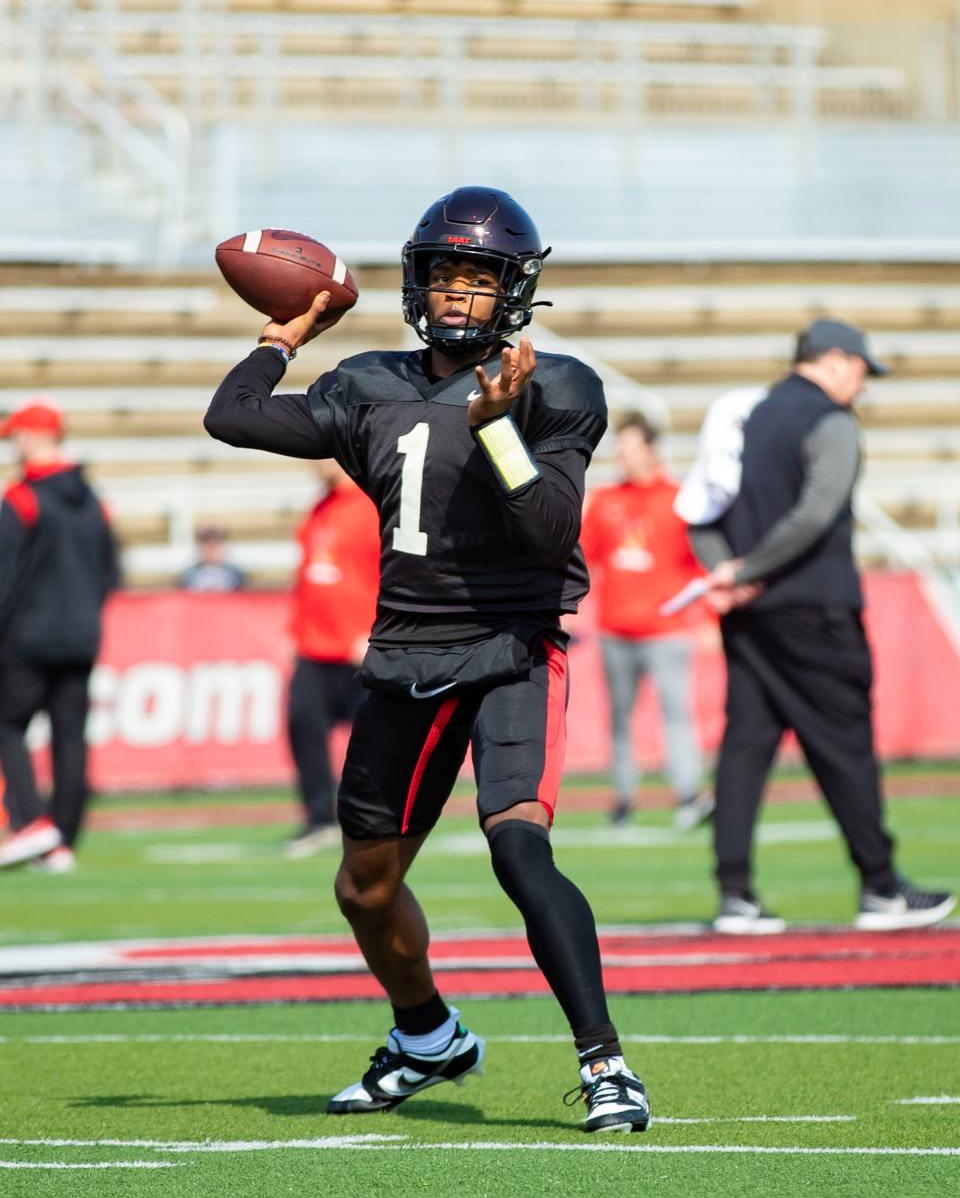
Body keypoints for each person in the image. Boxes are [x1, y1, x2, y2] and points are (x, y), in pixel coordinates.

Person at [205, 185, 651, 1133]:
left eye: (478, 278)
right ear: (415, 281)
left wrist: (497, 424)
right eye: (444, 272)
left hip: (510, 647)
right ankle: (427, 1035)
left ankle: (605, 1061)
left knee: (519, 849)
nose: (458, 292)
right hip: (405, 649)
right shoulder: (367, 382)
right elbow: (233, 418)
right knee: (363, 887)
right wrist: (285, 334)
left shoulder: (557, 385)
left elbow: (548, 533)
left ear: (513, 292)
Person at [679, 318, 956, 934]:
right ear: (833, 361)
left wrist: (727, 571)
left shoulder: (745, 416)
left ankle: (735, 895)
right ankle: (882, 888)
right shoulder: (829, 422)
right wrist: (748, 567)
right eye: (859, 371)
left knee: (746, 745)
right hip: (813, 608)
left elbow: (699, 504)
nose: (861, 386)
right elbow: (815, 514)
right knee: (845, 745)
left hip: (751, 612)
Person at [0, 398, 119, 872]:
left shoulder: (21, 498)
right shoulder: (95, 501)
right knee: (70, 737)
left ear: (31, 438)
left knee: (6, 725)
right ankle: (63, 842)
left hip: (28, 636)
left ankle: (31, 824)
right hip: (82, 633)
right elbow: (111, 572)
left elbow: (4, 576)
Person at [580, 412, 713, 830]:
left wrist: (706, 618)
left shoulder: (678, 499)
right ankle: (623, 797)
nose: (624, 456)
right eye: (620, 448)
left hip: (666, 629)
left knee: (677, 714)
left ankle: (690, 793)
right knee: (619, 717)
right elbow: (586, 559)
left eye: (632, 447)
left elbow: (699, 564)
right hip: (615, 628)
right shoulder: (604, 500)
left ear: (651, 450)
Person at [285, 459, 380, 858]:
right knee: (302, 725)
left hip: (358, 648)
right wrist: (294, 630)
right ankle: (320, 819)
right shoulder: (320, 506)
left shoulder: (371, 504)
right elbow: (308, 575)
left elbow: (394, 571)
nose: (310, 460)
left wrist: (377, 631)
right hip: (314, 645)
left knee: (372, 742)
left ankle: (372, 820)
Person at [178, 524, 247, 592]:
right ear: (200, 548)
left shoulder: (236, 575)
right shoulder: (188, 575)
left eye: (216, 545)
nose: (212, 549)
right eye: (207, 544)